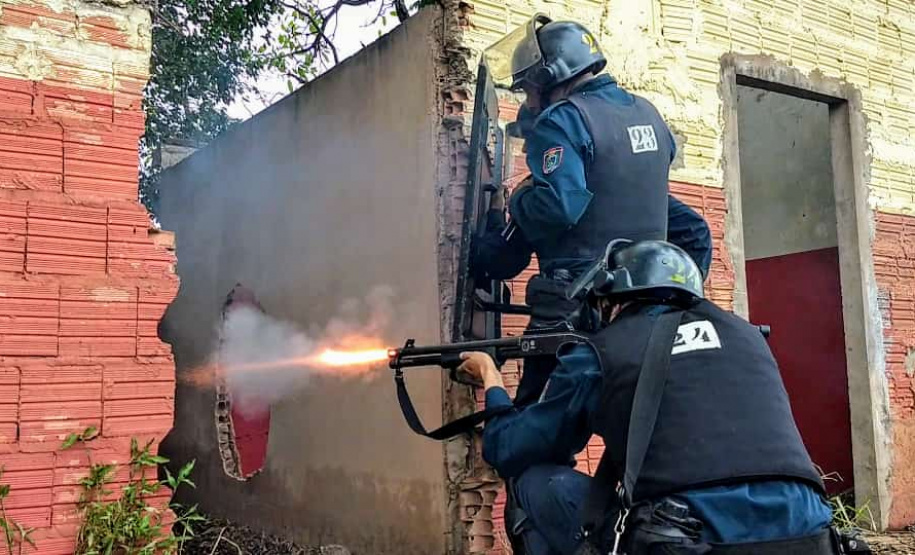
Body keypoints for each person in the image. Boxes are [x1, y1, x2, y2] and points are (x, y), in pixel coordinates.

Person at [458, 240, 836, 555]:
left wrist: (491, 378)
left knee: (534, 480)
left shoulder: (602, 352)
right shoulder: (749, 338)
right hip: (809, 535)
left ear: (614, 301)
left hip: (692, 541)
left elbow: (510, 448)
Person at [474, 15, 712, 407]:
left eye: (529, 89)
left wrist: (518, 198)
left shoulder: (562, 119)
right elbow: (693, 230)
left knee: (531, 433)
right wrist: (677, 302)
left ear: (552, 74)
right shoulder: (648, 113)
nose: (529, 101)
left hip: (576, 307)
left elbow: (558, 206)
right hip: (646, 316)